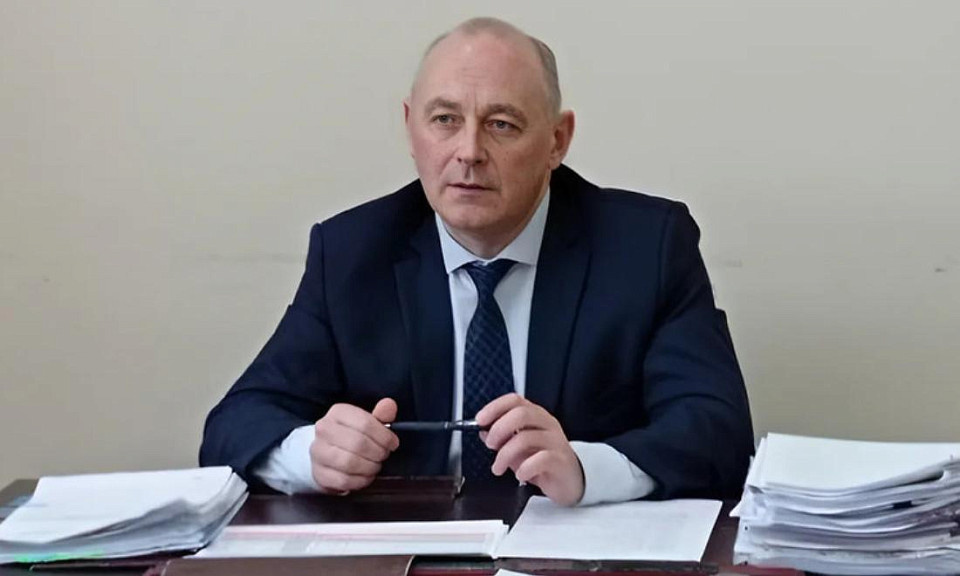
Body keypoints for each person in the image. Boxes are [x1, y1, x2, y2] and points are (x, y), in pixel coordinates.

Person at [199, 17, 753, 507]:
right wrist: (312, 455)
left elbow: (719, 434)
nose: (468, 151)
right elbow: (234, 426)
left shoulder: (645, 247)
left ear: (557, 140)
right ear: (410, 127)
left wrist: (586, 469)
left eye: (501, 124)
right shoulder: (351, 253)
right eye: (444, 119)